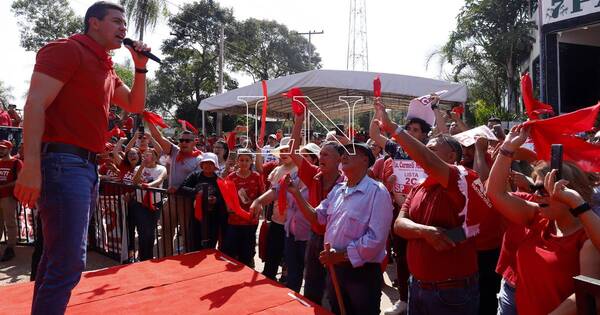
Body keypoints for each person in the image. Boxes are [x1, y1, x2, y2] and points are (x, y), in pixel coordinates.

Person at [14, 2, 150, 313]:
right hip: (62, 162)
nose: (123, 29)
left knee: (56, 257)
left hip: (86, 166)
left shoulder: (105, 65)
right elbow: (34, 104)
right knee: (69, 261)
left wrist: (140, 66)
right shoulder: (68, 49)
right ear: (94, 23)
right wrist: (31, 166)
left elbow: (135, 104)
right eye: (116, 21)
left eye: (124, 25)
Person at [376, 102, 483, 315]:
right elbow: (399, 225)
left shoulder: (463, 178)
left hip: (451, 294)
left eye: (431, 150)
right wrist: (424, 232)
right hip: (418, 287)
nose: (425, 152)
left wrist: (393, 128)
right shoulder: (420, 186)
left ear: (452, 157)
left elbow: (424, 158)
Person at [487, 124, 600, 315]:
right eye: (535, 188)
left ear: (571, 193)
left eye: (544, 190)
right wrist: (507, 148)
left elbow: (586, 296)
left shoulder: (588, 237)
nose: (537, 195)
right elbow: (496, 193)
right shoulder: (536, 217)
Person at [287, 142, 393, 315]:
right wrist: (297, 194)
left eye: (350, 152)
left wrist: (341, 255)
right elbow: (317, 217)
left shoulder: (377, 192)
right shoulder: (338, 191)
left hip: (361, 274)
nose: (344, 155)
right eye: (342, 152)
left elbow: (376, 239)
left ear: (365, 160)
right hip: (335, 269)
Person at [147, 124, 202, 256]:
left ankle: (188, 259)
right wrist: (148, 119)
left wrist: (179, 189)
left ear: (195, 142)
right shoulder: (175, 151)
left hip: (187, 202)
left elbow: (197, 183)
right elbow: (158, 137)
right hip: (171, 200)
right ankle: (166, 259)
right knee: (166, 232)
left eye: (187, 140)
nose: (183, 143)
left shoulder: (200, 159)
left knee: (187, 235)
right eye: (181, 140)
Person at [221, 149, 264, 266]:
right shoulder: (231, 177)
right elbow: (227, 196)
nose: (244, 163)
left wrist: (257, 205)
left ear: (251, 162)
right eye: (241, 160)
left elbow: (262, 195)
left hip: (251, 219)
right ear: (237, 161)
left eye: (247, 160)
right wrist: (229, 208)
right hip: (234, 219)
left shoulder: (256, 176)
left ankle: (248, 266)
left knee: (248, 249)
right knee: (231, 248)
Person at [178, 153, 227, 251]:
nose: (207, 165)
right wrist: (197, 193)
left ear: (215, 166)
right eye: (205, 163)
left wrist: (216, 200)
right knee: (194, 244)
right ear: (201, 164)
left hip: (213, 218)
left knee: (210, 246)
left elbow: (224, 199)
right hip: (196, 216)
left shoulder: (219, 180)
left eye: (211, 163)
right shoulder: (195, 176)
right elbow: (181, 189)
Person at [130, 148, 166, 261]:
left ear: (155, 157)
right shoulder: (137, 168)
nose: (147, 157)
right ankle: (142, 257)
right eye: (145, 155)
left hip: (155, 203)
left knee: (150, 231)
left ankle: (148, 257)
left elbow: (160, 180)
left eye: (149, 155)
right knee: (141, 230)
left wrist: (148, 186)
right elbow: (135, 182)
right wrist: (142, 166)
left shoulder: (161, 168)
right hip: (140, 203)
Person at [0, 140, 22, 262]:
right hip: (2, 196)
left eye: (3, 148)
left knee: (10, 223)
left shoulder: (16, 162)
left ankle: (10, 248)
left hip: (8, 197)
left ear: (9, 149)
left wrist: (3, 186)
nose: (1, 150)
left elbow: (19, 180)